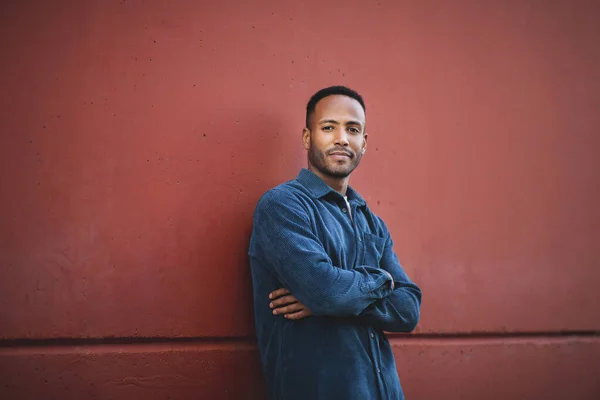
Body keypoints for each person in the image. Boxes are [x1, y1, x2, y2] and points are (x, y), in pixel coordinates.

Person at [249, 86, 422, 400]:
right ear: (307, 137)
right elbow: (326, 292)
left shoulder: (372, 222)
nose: (342, 138)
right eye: (328, 127)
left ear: (364, 143)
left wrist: (336, 300)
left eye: (352, 129)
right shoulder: (283, 206)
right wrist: (382, 280)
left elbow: (409, 309)